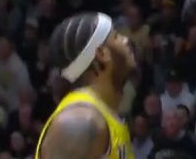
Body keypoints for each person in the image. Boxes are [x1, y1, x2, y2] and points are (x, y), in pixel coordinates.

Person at [35, 12, 136, 158]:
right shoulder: (81, 122)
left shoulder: (102, 115)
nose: (126, 40)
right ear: (102, 54)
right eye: (116, 37)